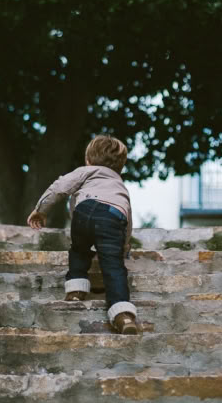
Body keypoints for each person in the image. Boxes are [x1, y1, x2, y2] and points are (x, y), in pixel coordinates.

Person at [27, 135, 137, 334]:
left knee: (79, 250)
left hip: (84, 212)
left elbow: (60, 187)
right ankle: (123, 315)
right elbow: (127, 219)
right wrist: (124, 246)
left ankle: (76, 291)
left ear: (88, 159)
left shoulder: (86, 171)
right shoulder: (120, 185)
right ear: (120, 167)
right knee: (114, 267)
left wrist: (41, 210)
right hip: (113, 217)